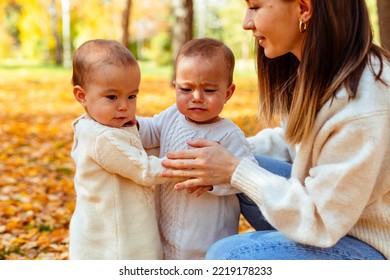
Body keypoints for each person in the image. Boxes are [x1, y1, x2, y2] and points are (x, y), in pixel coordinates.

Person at [160, 0, 390, 260]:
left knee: (228, 257)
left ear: (303, 8)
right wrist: (223, 150)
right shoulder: (319, 72)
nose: (246, 23)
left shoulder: (363, 104)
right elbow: (295, 141)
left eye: (255, 7)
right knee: (248, 168)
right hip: (339, 219)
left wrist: (234, 169)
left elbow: (320, 221)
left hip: (365, 242)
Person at [137, 38, 257, 259]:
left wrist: (215, 182)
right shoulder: (173, 115)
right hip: (165, 227)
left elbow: (246, 178)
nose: (197, 98)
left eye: (209, 90)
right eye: (186, 88)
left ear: (228, 93)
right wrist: (130, 124)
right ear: (175, 86)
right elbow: (151, 129)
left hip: (207, 238)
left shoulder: (229, 135)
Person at [69, 39, 177, 259]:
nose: (124, 106)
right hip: (114, 245)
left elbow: (136, 147)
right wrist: (186, 164)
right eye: (112, 97)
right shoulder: (101, 138)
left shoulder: (108, 126)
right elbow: (144, 169)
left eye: (132, 96)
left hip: (122, 231)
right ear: (82, 96)